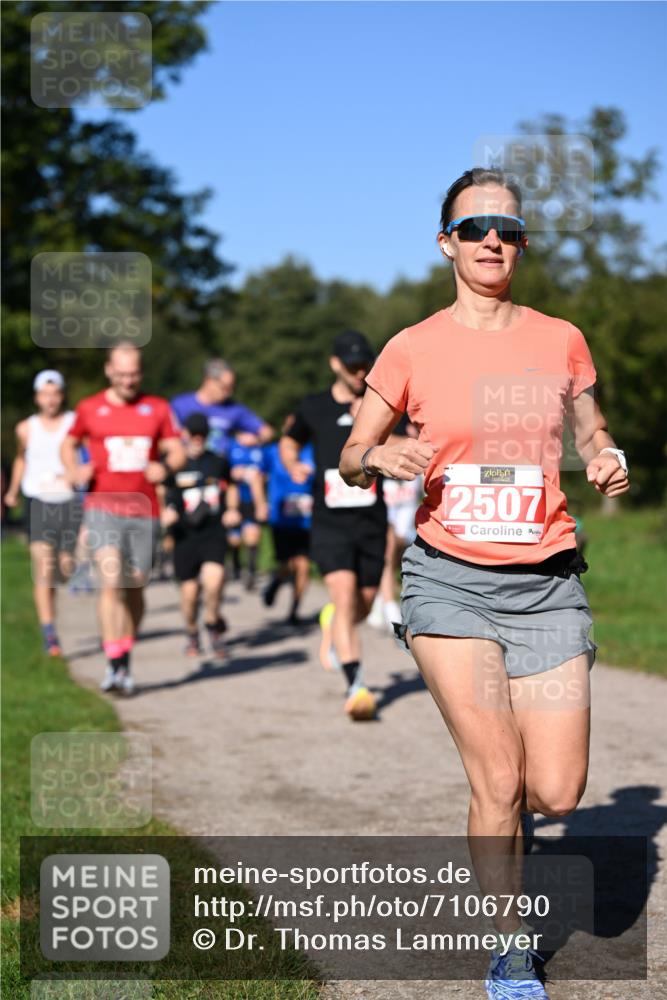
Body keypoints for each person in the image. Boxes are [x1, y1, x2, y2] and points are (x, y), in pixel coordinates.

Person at [340, 167, 629, 999]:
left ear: (522, 244)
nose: (491, 240)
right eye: (474, 228)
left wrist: (605, 455)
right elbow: (349, 456)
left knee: (556, 793)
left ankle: (501, 830)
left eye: (506, 228)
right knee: (497, 780)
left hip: (545, 582)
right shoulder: (411, 346)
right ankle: (508, 944)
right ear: (447, 243)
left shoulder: (560, 339)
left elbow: (590, 430)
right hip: (449, 581)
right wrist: (376, 455)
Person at [61, 342, 186, 695]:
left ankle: (124, 652)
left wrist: (166, 467)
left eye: (133, 374)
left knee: (135, 587)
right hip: (102, 507)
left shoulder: (157, 408)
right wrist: (74, 470)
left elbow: (177, 450)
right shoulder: (90, 408)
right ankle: (114, 662)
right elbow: (68, 444)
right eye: (121, 374)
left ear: (141, 373)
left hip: (145, 511)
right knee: (111, 581)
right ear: (108, 371)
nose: (128, 381)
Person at [281, 330, 388, 721]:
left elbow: (407, 438)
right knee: (343, 597)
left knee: (364, 602)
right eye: (352, 365)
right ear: (335, 364)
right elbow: (289, 441)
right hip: (330, 521)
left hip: (371, 520)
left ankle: (333, 622)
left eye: (365, 364)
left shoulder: (381, 404)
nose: (360, 372)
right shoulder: (314, 407)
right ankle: (356, 686)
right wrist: (292, 464)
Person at [4, 370, 81, 656]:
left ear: (62, 396)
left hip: (67, 499)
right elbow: (21, 459)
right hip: (37, 498)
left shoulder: (74, 423)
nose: (50, 400)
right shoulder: (26, 428)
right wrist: (12, 491)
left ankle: (52, 612)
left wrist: (79, 475)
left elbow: (87, 455)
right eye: (45, 394)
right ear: (37, 397)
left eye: (55, 394)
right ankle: (49, 630)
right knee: (43, 565)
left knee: (64, 568)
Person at [161, 412, 241, 658]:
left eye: (202, 435)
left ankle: (212, 624)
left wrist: (232, 509)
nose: (198, 439)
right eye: (194, 434)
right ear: (185, 435)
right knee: (189, 593)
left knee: (214, 581)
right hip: (184, 535)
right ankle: (192, 632)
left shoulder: (217, 461)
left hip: (212, 532)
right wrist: (165, 511)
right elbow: (160, 489)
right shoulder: (174, 464)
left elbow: (231, 486)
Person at [367, 415, 423, 632]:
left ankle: (380, 597)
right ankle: (391, 609)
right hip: (387, 491)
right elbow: (377, 439)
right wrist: (411, 442)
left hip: (409, 493)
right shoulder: (388, 410)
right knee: (388, 547)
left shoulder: (417, 410)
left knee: (399, 551)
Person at [262, 421, 315, 625]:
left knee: (303, 565)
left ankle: (294, 610)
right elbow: (257, 475)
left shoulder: (313, 450)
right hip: (281, 518)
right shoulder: (272, 452)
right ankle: (276, 582)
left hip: (307, 520)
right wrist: (260, 502)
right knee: (286, 565)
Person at [171, 359, 274, 458]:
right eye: (225, 387)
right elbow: (168, 439)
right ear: (208, 381)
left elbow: (267, 432)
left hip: (220, 464)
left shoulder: (233, 408)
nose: (229, 393)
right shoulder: (180, 404)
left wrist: (256, 440)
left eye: (232, 387)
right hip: (188, 463)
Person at [227, 437, 268, 590]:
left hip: (252, 502)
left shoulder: (261, 450)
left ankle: (251, 572)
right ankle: (235, 566)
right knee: (234, 539)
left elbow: (265, 474)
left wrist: (261, 504)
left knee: (252, 536)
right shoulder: (230, 447)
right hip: (234, 501)